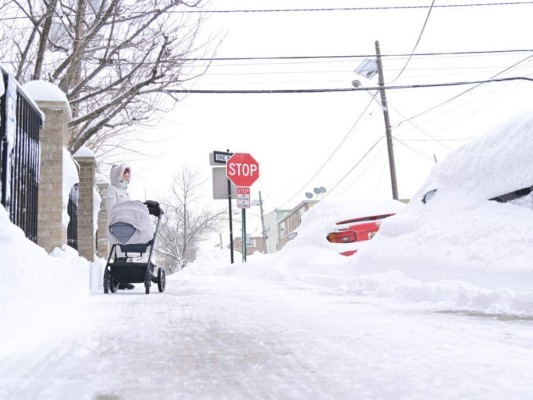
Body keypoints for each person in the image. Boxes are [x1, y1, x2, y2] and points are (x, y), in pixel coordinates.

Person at [105, 163, 134, 290]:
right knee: (120, 251)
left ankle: (124, 277)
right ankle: (119, 279)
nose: (127, 175)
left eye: (128, 173)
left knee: (126, 251)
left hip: (128, 224)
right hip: (119, 224)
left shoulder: (125, 192)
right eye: (124, 173)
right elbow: (111, 209)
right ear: (118, 175)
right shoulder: (113, 190)